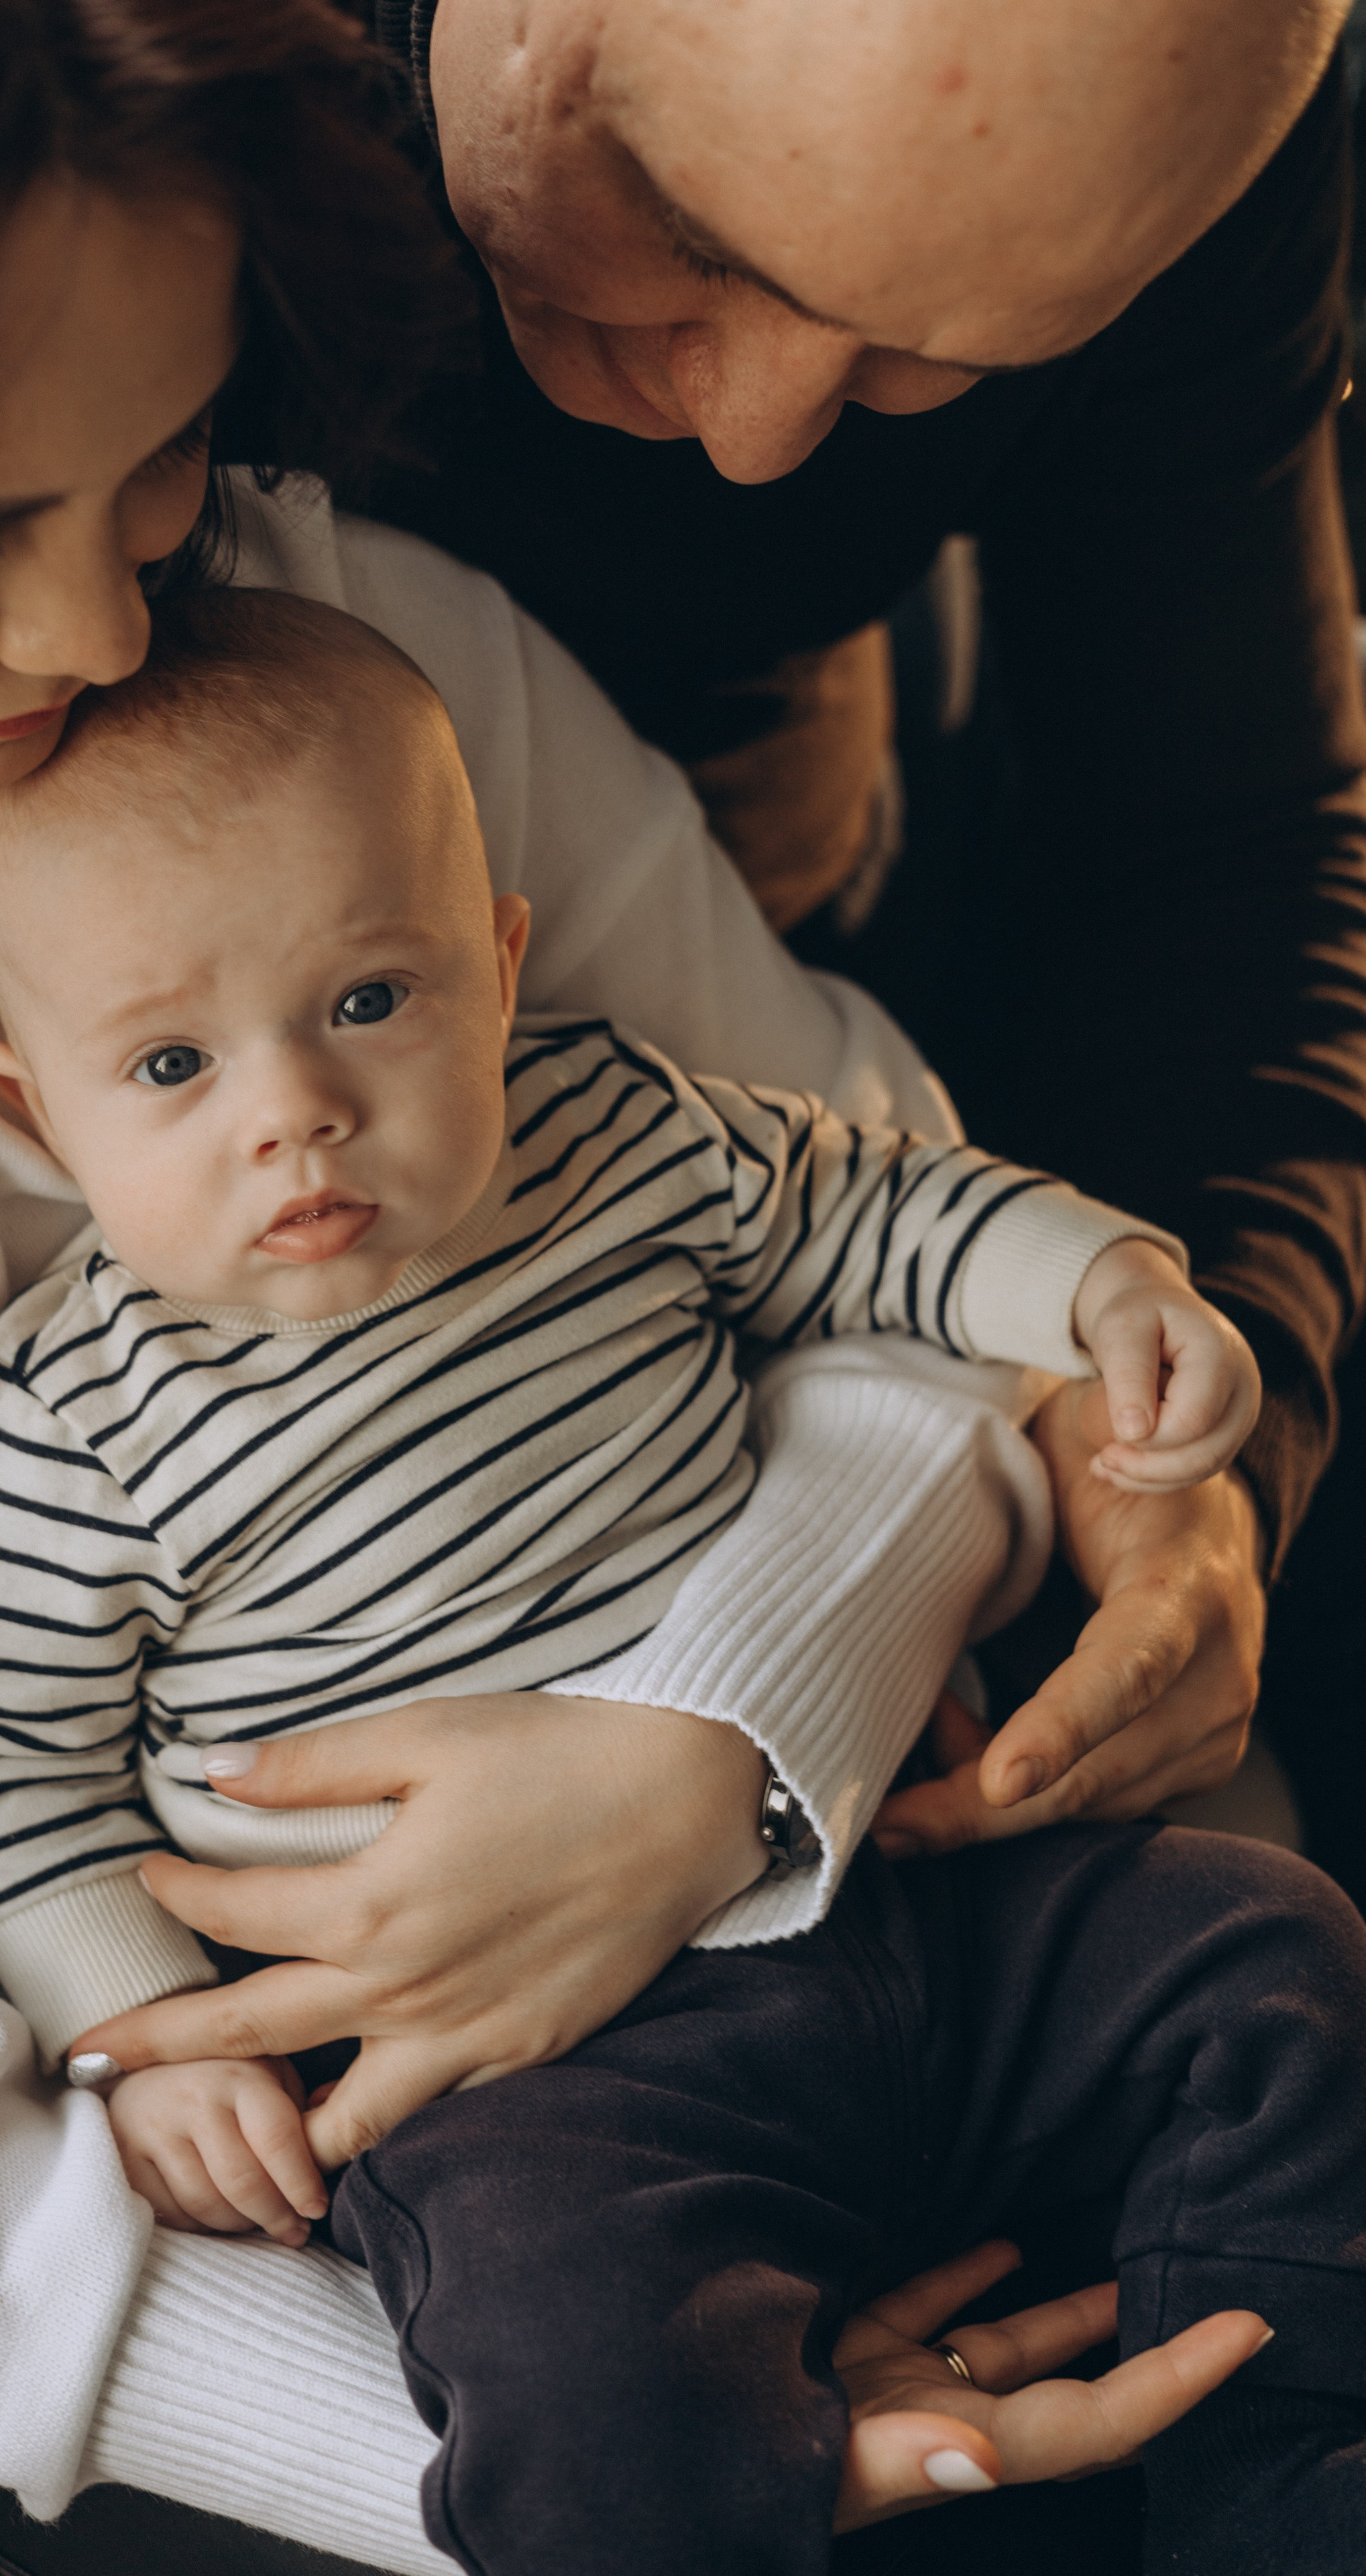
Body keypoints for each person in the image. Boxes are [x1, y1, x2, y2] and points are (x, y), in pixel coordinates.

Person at [0, 5, 1267, 2570]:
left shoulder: (314, 625)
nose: (94, 630)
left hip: (859, 1863)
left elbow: (853, 1206)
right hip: (234, 2245)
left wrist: (718, 1735)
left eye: (160, 448)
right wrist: (511, 2439)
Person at [0, 592, 1366, 2576]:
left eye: (367, 1001)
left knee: (1271, 1956)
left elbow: (884, 1214)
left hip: (894, 1889)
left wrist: (1105, 1280)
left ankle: (1289, 2497)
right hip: (525, 2082)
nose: (292, 1114)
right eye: (168, 1064)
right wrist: (142, 2031)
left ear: (499, 969)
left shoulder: (614, 1137)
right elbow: (11, 1763)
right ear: (37, 1111)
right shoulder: (69, 1407)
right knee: (568, 2377)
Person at [357, 0, 1366, 1894]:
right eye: (684, 226)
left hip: (782, 1012)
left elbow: (1209, 839)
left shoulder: (1192, 124)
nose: (751, 438)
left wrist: (1183, 1479)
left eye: (928, 360)